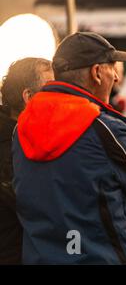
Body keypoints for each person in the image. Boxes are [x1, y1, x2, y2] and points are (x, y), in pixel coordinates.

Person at [12, 32, 126, 264]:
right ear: (96, 73)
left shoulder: (22, 127)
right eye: (112, 67)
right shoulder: (103, 128)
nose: (116, 77)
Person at [0, 58, 54, 264]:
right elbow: (37, 204)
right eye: (52, 91)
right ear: (29, 97)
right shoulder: (9, 144)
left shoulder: (22, 137)